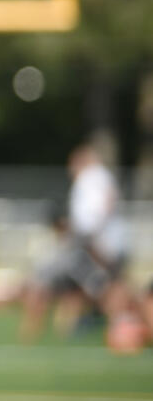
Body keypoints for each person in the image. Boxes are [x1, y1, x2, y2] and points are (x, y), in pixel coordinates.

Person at [19, 143, 133, 343]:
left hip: (92, 245)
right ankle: (120, 325)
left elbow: (98, 213)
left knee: (103, 288)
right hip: (96, 243)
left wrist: (91, 240)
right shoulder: (99, 177)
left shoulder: (92, 177)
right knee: (103, 288)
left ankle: (124, 327)